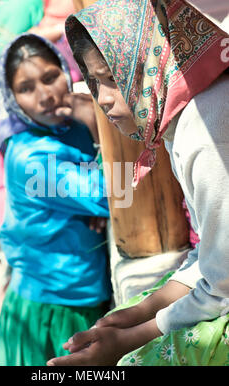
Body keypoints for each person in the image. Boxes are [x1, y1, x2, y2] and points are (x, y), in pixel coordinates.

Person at [47, 0, 229, 366]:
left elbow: (223, 285)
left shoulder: (207, 134)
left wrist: (126, 341)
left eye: (113, 79)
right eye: (94, 82)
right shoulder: (181, 122)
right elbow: (210, 263)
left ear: (151, 63)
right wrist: (131, 316)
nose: (103, 100)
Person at [0, 33, 112, 366]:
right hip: (53, 307)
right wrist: (94, 122)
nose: (45, 96)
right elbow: (114, 193)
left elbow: (104, 195)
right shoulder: (30, 157)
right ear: (12, 98)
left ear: (66, 71)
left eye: (50, 78)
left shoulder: (67, 127)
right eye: (27, 88)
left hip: (83, 291)